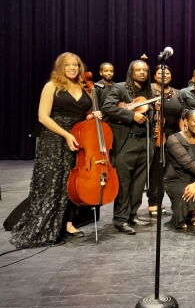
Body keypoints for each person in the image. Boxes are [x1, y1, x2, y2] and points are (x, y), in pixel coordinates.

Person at [10, 52, 101, 248]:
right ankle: (46, 225)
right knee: (53, 181)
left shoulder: (85, 87)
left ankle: (67, 224)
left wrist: (91, 116)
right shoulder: (52, 86)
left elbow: (83, 113)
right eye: (68, 65)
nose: (72, 68)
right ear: (60, 67)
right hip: (55, 138)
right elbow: (43, 117)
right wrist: (66, 135)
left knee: (71, 181)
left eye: (76, 65)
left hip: (78, 137)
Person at [102, 59, 155, 235]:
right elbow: (107, 107)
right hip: (126, 142)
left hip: (144, 141)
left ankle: (132, 214)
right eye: (138, 70)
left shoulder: (150, 91)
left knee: (139, 183)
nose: (141, 73)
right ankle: (120, 219)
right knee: (124, 183)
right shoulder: (119, 88)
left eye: (144, 70)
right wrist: (130, 115)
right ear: (131, 72)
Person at [146, 65, 184, 217]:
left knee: (174, 170)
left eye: (167, 72)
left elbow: (182, 114)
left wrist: (182, 135)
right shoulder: (149, 91)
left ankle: (177, 202)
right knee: (157, 171)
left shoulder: (178, 93)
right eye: (160, 73)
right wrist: (153, 109)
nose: (164, 75)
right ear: (154, 76)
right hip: (156, 133)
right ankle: (155, 201)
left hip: (174, 134)